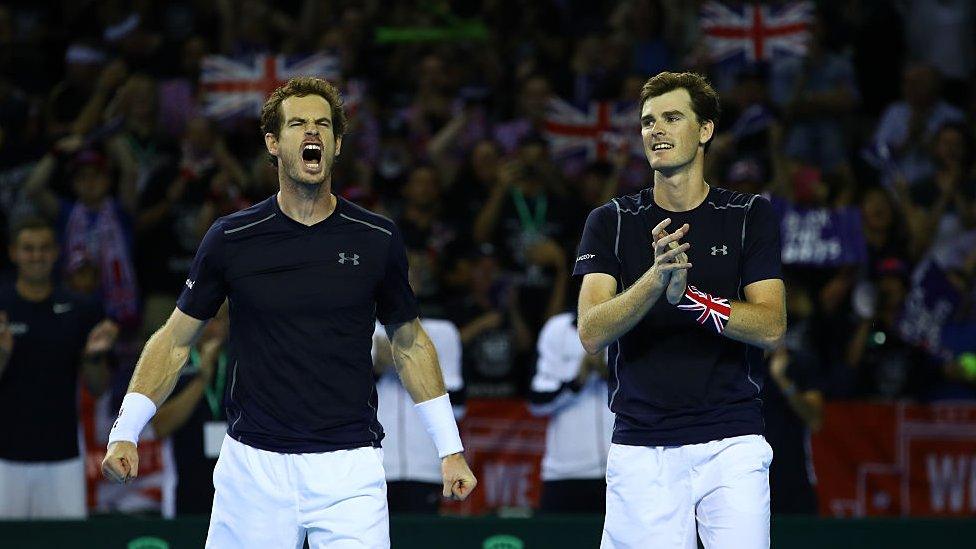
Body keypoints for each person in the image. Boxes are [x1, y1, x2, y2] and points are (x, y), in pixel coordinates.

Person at [101, 77, 476, 548]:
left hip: (349, 469)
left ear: (337, 145)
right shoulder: (231, 238)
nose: (311, 132)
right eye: (297, 123)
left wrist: (450, 449)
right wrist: (125, 431)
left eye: (322, 124)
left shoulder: (376, 238)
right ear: (274, 144)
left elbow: (409, 342)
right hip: (252, 469)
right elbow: (175, 341)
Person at [574, 72, 785, 548]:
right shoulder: (610, 221)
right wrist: (654, 281)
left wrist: (690, 299)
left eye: (672, 117)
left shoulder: (750, 215)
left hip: (732, 441)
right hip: (641, 445)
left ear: (705, 130)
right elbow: (590, 332)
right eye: (648, 121)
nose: (657, 130)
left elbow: (771, 326)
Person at [0, 217, 118, 519]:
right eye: (28, 249)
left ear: (55, 253)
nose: (36, 256)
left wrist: (93, 357)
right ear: (13, 252)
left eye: (43, 248)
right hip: (4, 457)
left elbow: (98, 386)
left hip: (63, 455)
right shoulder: (2, 305)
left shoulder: (81, 308)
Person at [529, 309, 613, 514]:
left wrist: (608, 373)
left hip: (622, 470)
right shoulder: (557, 329)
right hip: (565, 471)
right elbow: (536, 402)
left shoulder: (631, 321)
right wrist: (579, 379)